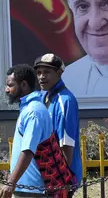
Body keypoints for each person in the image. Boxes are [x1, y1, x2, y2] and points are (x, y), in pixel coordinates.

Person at [0, 64, 53, 198]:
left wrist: (11, 182)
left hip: (31, 191)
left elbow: (28, 150)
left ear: (23, 85)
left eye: (10, 85)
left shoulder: (33, 111)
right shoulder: (29, 108)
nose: (7, 90)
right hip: (26, 188)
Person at [33, 53, 83, 192]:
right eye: (39, 72)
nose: (42, 77)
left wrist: (62, 180)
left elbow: (67, 143)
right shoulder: (44, 96)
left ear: (59, 73)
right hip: (48, 175)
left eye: (47, 72)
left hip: (61, 178)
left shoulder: (65, 100)